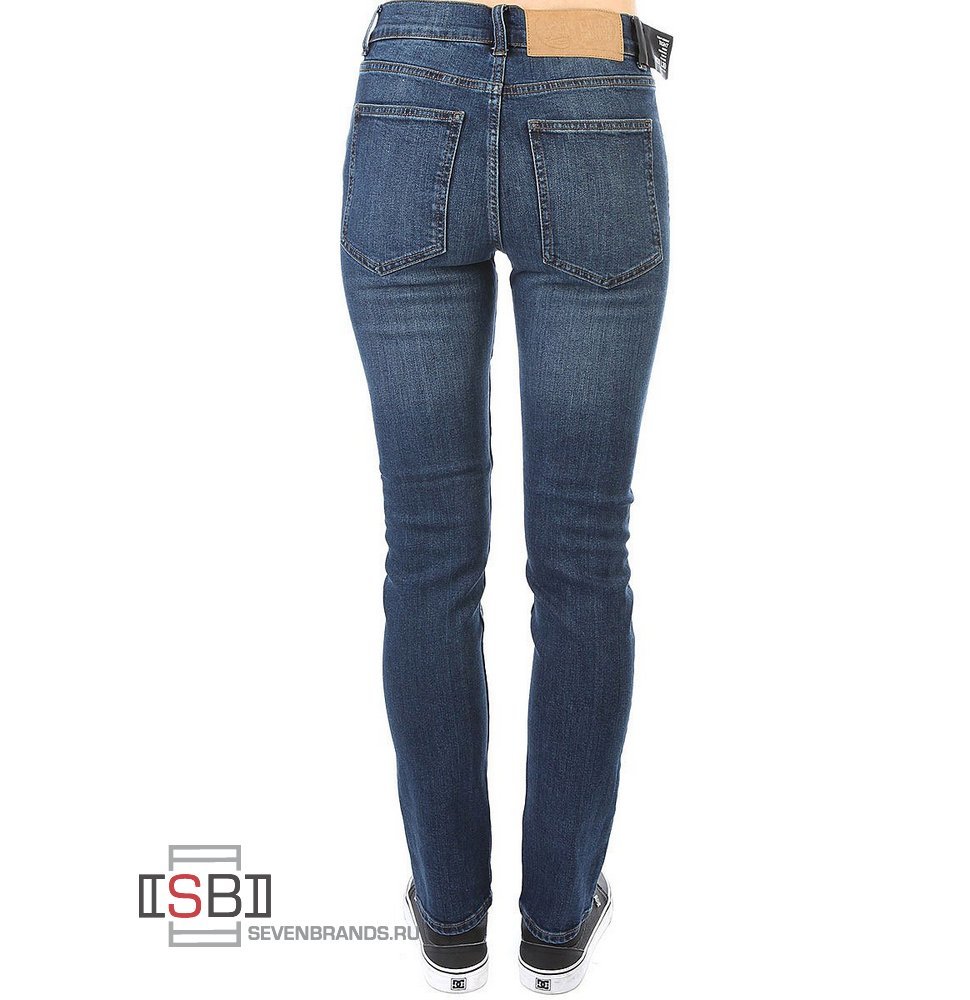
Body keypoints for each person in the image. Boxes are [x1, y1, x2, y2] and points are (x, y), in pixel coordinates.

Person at [340, 1, 669, 991]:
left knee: (427, 559)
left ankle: (450, 920)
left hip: (412, 82)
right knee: (584, 563)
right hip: (588, 77)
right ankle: (557, 924)